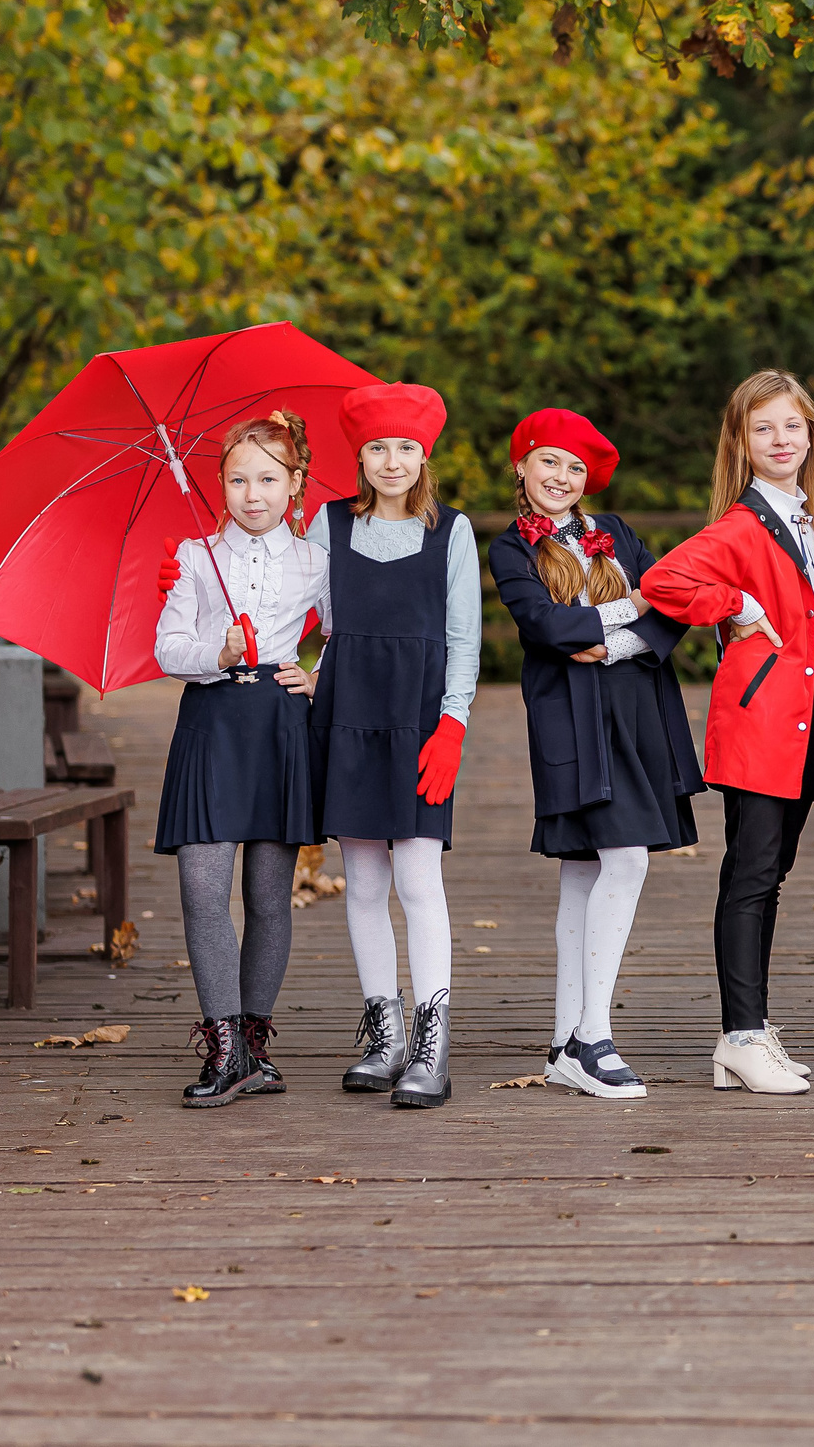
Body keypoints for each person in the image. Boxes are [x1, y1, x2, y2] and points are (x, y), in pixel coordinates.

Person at [640, 371, 814, 1097]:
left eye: (792, 427)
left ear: (811, 436)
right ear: (742, 441)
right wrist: (734, 601)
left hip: (808, 726)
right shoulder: (741, 524)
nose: (781, 440)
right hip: (760, 721)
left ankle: (750, 1029)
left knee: (771, 875)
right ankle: (740, 1032)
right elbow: (663, 582)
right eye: (764, 428)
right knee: (749, 874)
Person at [489, 408, 701, 1101]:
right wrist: (622, 607)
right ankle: (591, 1037)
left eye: (575, 467)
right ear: (523, 466)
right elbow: (547, 625)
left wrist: (609, 642)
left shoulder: (619, 537)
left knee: (590, 869)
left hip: (634, 711)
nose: (561, 477)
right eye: (549, 461)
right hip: (567, 718)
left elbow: (669, 608)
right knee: (614, 858)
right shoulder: (511, 549)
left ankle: (564, 1038)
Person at [310, 382, 482, 1111]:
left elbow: (464, 638)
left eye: (405, 447)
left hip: (418, 718)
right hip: (347, 712)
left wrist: (454, 723)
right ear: (360, 454)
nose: (391, 460)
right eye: (377, 447)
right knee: (365, 880)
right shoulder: (329, 525)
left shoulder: (453, 531)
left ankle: (429, 1041)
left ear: (424, 455)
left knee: (417, 878)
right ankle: (383, 1035)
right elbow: (307, 616)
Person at [152, 409, 326, 1107]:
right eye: (237, 478)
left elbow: (349, 629)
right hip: (211, 726)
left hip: (281, 726)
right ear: (218, 484)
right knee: (201, 888)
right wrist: (215, 653)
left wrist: (321, 674)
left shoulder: (317, 558)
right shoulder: (196, 556)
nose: (252, 493)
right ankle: (223, 1046)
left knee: (266, 895)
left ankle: (254, 1044)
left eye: (267, 478)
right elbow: (169, 648)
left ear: (294, 482)